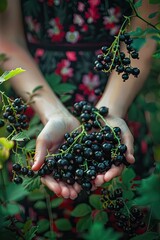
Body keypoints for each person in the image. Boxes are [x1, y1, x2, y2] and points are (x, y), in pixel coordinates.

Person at [0, 0, 158, 201]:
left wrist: (110, 110)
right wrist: (53, 113)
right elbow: (7, 40)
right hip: (35, 93)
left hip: (121, 90)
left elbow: (141, 35)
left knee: (124, 202)